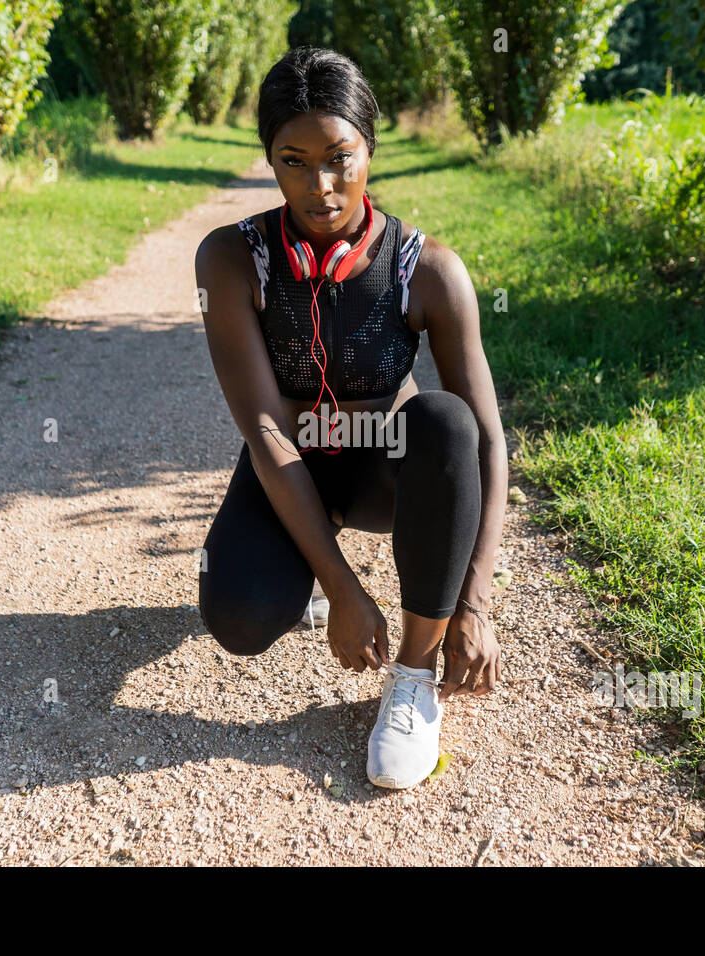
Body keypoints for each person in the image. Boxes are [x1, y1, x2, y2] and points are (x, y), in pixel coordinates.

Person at [194, 46, 507, 790]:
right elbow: (267, 434)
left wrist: (474, 600)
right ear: (269, 160)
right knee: (239, 618)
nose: (321, 186)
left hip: (382, 474)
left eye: (340, 158)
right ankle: (305, 553)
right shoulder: (232, 260)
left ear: (370, 149)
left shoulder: (427, 270)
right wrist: (340, 587)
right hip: (288, 466)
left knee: (446, 422)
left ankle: (412, 678)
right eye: (293, 161)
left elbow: (488, 441)